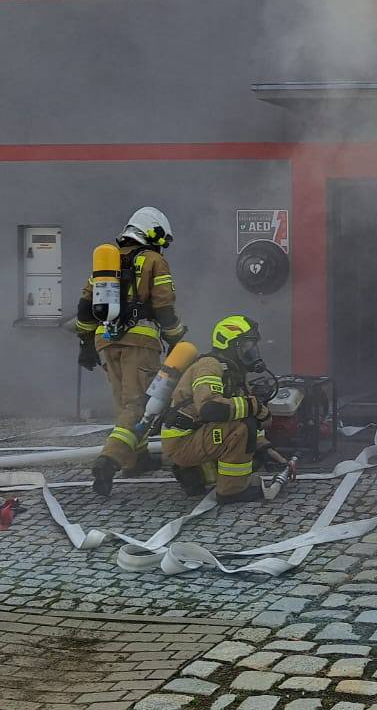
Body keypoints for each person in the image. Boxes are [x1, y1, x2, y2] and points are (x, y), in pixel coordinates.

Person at [74, 206, 186, 495]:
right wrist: (177, 340)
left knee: (125, 404)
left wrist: (86, 344)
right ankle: (109, 460)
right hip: (140, 340)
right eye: (163, 241)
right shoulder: (153, 261)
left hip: (105, 340)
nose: (164, 247)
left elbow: (85, 306)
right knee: (139, 405)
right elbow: (164, 307)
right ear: (153, 233)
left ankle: (136, 460)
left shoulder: (107, 263)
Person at [160, 314, 292, 504]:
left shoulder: (234, 372)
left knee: (253, 456)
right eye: (246, 346)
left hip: (198, 434)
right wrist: (253, 405)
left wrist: (266, 449)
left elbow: (245, 416)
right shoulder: (209, 366)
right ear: (230, 345)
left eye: (253, 346)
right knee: (242, 427)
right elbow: (210, 409)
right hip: (182, 440)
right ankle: (231, 491)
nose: (252, 352)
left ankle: (197, 474)